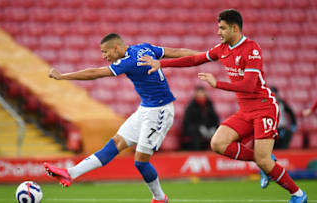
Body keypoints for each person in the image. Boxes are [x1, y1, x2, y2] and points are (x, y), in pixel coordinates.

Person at [139, 9, 307, 203]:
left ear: (235, 28)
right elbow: (195, 59)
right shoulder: (222, 49)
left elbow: (249, 85)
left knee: (264, 159)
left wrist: (216, 83)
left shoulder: (252, 49)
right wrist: (162, 64)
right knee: (217, 144)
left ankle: (298, 195)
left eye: (222, 28)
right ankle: (265, 162)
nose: (218, 32)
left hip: (264, 108)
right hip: (245, 111)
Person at [43, 33, 200, 203]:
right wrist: (205, 55)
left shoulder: (128, 62)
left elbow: (94, 73)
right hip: (145, 108)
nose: (104, 56)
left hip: (160, 111)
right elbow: (176, 52)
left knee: (140, 162)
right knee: (116, 143)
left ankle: (160, 198)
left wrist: (63, 76)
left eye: (105, 52)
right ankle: (70, 173)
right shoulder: (144, 48)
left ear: (116, 48)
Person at [181, 86, 219, 150]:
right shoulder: (191, 106)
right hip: (196, 128)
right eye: (199, 93)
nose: (201, 95)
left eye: (202, 93)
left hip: (209, 128)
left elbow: (215, 118)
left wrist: (213, 128)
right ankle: (197, 151)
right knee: (194, 132)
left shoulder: (209, 104)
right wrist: (199, 128)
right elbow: (187, 122)